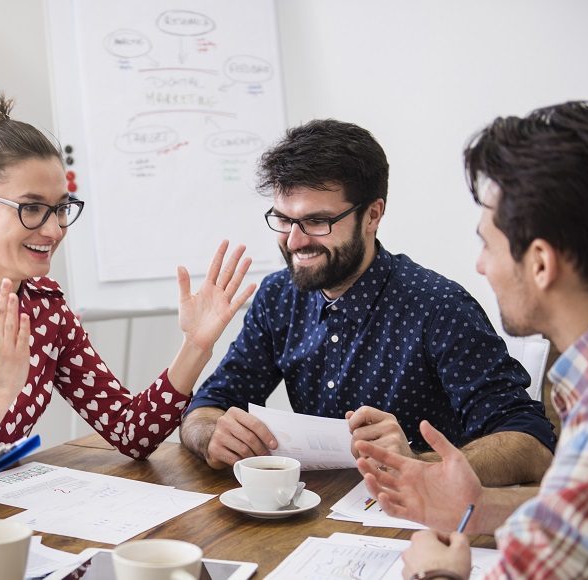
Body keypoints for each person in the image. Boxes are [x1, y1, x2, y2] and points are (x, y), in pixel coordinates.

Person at [0, 80, 255, 491]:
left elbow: (132, 433)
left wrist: (195, 346)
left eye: (61, 208)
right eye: (31, 208)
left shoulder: (46, 307)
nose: (53, 229)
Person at [356, 101, 588, 578]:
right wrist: (478, 505)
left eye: (486, 243)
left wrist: (438, 573)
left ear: (540, 263)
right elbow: (584, 506)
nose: (481, 266)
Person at [179, 119, 556, 486]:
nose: (294, 241)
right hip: (315, 518)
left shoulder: (438, 306)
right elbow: (208, 406)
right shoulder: (279, 296)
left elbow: (532, 445)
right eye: (283, 219)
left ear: (372, 215)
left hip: (421, 528)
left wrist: (419, 466)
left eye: (317, 222)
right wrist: (211, 433)